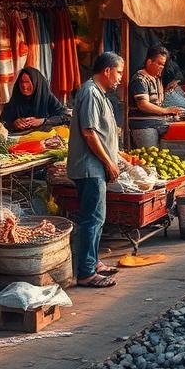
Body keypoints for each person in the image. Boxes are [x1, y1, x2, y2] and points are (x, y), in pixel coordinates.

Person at [69, 52, 126, 289]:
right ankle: (86, 273)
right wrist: (109, 162)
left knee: (96, 217)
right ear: (107, 71)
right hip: (89, 167)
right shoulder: (91, 92)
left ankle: (93, 263)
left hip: (94, 167)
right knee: (92, 218)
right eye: (119, 72)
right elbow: (89, 133)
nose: (120, 78)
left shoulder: (98, 93)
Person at [128, 46, 185, 149]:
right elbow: (143, 105)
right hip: (144, 125)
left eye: (163, 64)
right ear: (149, 62)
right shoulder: (140, 79)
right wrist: (166, 110)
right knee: (150, 157)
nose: (162, 67)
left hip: (158, 122)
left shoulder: (156, 79)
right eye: (159, 64)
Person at [1, 67, 70, 133]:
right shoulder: (15, 99)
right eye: (21, 82)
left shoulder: (46, 97)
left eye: (27, 82)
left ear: (36, 83)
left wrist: (43, 121)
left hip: (44, 137)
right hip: (18, 138)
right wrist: (14, 124)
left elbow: (65, 117)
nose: (24, 86)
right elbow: (3, 122)